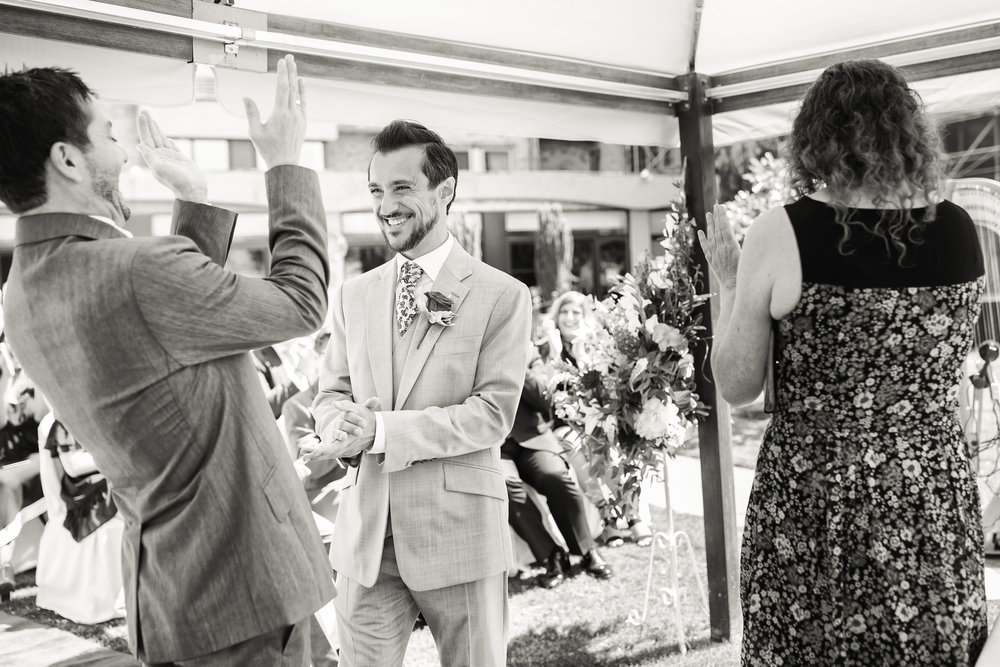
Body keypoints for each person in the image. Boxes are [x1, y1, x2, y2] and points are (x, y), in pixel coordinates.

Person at [0, 55, 334, 666]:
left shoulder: (20, 293)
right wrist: (286, 162)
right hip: (246, 585)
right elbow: (301, 303)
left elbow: (164, 343)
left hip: (180, 587)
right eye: (108, 134)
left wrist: (194, 199)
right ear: (67, 159)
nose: (124, 154)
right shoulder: (134, 270)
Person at [699, 59, 987, 665]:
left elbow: (737, 385)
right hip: (929, 482)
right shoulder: (960, 229)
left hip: (820, 489)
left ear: (815, 136)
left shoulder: (782, 233)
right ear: (908, 134)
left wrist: (727, 283)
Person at [306, 120, 532, 666]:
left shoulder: (502, 295)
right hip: (366, 540)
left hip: (459, 533)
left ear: (445, 190)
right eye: (377, 191)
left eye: (402, 188)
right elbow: (330, 394)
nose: (386, 205)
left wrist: (383, 430)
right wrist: (340, 426)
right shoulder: (353, 295)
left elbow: (491, 415)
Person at [541, 290, 653, 547]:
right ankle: (608, 516)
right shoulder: (546, 348)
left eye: (575, 312)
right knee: (574, 445)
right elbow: (549, 392)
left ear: (584, 316)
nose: (569, 318)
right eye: (565, 312)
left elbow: (599, 390)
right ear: (557, 317)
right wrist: (557, 351)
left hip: (597, 418)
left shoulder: (595, 344)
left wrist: (581, 356)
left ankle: (632, 517)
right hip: (563, 425)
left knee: (604, 446)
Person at [503, 345, 612, 588]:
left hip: (533, 438)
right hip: (494, 446)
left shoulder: (527, 353)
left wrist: (513, 360)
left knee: (555, 475)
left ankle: (586, 551)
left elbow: (544, 398)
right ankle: (552, 555)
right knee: (504, 487)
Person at [35, 411, 126, 624]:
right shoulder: (61, 418)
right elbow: (73, 466)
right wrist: (120, 455)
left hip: (99, 482)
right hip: (85, 495)